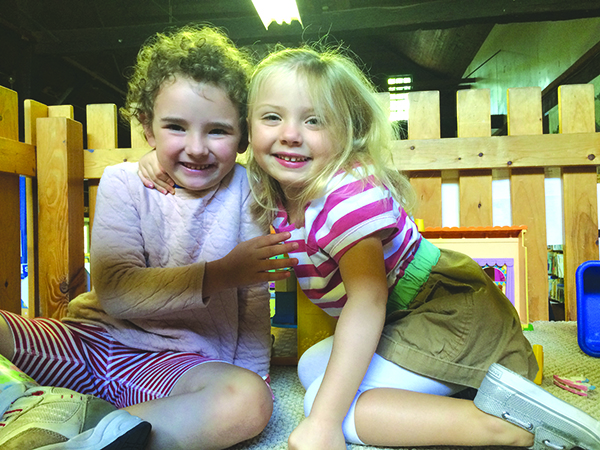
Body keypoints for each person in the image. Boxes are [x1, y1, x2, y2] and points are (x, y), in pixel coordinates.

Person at [242, 46, 600, 450]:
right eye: (272, 117)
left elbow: (368, 301)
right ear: (247, 126)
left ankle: (505, 426)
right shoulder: (274, 190)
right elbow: (214, 172)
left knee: (324, 405)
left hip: (446, 312)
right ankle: (470, 391)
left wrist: (323, 421)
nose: (290, 133)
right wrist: (155, 165)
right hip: (407, 316)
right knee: (311, 367)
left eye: (314, 120)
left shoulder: (346, 199)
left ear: (348, 131)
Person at [0, 25, 299, 450]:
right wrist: (219, 274)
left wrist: (257, 376)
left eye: (217, 131)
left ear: (243, 135)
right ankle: (40, 405)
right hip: (87, 344)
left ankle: (75, 434)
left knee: (249, 401)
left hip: (177, 366)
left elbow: (252, 295)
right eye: (176, 127)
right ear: (147, 127)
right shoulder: (122, 181)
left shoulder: (249, 190)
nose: (196, 148)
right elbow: (118, 293)